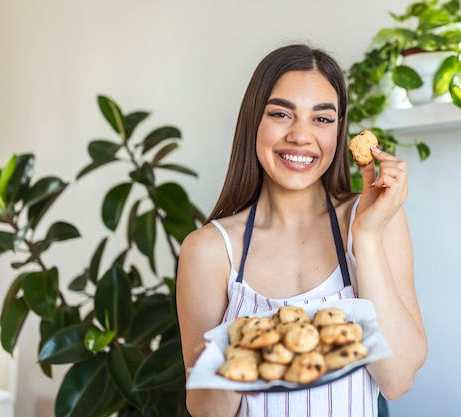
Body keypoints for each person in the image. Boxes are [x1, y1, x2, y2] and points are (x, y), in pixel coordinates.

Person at [176, 43, 427, 417]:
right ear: (253, 122)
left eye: (322, 119)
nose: (301, 136)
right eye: (281, 114)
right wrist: (229, 362)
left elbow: (398, 379)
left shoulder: (374, 219)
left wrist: (368, 238)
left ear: (339, 131)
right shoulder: (209, 249)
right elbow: (205, 411)